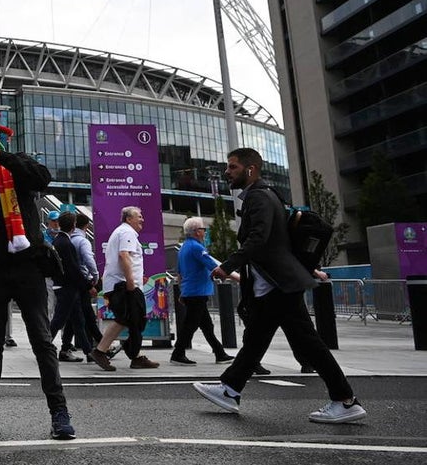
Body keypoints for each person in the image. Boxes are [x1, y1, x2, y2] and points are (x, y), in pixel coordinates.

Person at [194, 148, 366, 424]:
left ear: (250, 169)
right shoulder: (267, 195)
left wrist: (228, 266)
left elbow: (259, 238)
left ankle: (345, 400)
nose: (227, 172)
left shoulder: (259, 197)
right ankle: (230, 389)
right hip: (275, 284)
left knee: (307, 344)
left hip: (278, 285)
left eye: (233, 167)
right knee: (258, 339)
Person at [0, 110, 75, 440]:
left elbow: (42, 178)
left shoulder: (14, 163)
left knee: (41, 339)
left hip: (26, 265)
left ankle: (59, 412)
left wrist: (1, 157)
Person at [89, 206, 159, 371]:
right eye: (139, 216)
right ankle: (101, 351)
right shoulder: (126, 232)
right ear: (129, 219)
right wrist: (130, 282)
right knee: (127, 318)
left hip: (122, 284)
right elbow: (124, 255)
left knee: (133, 319)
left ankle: (134, 355)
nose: (142, 219)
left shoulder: (125, 232)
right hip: (123, 285)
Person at [170, 217, 232, 365]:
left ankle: (219, 353)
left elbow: (179, 273)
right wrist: (234, 276)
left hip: (191, 291)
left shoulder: (184, 247)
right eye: (203, 229)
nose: (205, 232)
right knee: (190, 325)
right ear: (197, 232)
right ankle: (178, 353)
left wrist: (182, 291)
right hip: (197, 291)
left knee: (206, 326)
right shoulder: (197, 248)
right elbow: (215, 267)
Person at [49, 212, 94, 362]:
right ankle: (43, 346)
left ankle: (89, 352)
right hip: (67, 287)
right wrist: (87, 285)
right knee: (59, 320)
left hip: (64, 286)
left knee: (78, 320)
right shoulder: (65, 243)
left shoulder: (58, 241)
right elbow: (73, 268)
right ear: (74, 225)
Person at [61, 212, 105, 362]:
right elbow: (88, 260)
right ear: (86, 225)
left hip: (72, 282)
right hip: (81, 282)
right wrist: (95, 276)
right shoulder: (82, 241)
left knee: (75, 317)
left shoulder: (69, 239)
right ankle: (98, 346)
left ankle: (67, 348)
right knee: (84, 316)